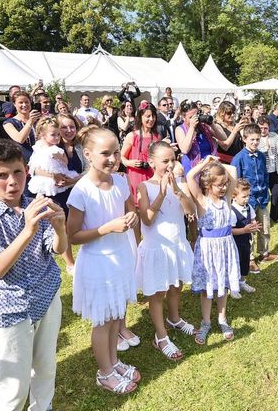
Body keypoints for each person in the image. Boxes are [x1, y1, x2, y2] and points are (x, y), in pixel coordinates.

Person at [0, 139, 67, 411]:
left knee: (45, 366)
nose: (12, 181)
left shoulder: (36, 204)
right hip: (9, 308)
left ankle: (42, 406)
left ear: (27, 170)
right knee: (15, 385)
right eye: (1, 175)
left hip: (46, 296)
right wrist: (28, 229)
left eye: (17, 172)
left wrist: (60, 228)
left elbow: (57, 249)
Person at [66, 126, 140, 395]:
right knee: (103, 321)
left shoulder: (120, 181)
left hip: (120, 256)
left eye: (116, 152)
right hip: (98, 262)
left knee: (115, 315)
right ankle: (105, 372)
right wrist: (106, 228)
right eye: (105, 153)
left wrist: (131, 218)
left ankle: (114, 361)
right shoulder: (82, 191)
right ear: (88, 154)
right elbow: (72, 236)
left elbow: (129, 210)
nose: (112, 158)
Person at [135, 141, 196, 361]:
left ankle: (174, 318)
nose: (171, 164)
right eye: (165, 161)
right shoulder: (144, 187)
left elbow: (191, 211)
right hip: (157, 247)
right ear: (151, 162)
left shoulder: (180, 183)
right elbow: (147, 220)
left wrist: (177, 191)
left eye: (173, 159)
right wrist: (161, 193)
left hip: (176, 244)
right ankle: (161, 336)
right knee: (158, 292)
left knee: (176, 285)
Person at [186, 156, 240, 345]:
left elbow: (232, 170)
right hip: (208, 249)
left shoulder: (227, 199)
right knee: (208, 287)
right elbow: (190, 176)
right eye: (219, 185)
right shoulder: (201, 200)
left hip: (225, 247)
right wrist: (206, 164)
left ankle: (222, 319)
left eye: (225, 184)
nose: (224, 187)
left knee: (222, 286)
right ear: (209, 185)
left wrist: (218, 165)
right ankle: (206, 321)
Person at [232, 123, 278, 264]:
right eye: (252, 139)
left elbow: (265, 175)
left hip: (262, 197)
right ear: (244, 139)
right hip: (248, 200)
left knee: (264, 226)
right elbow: (236, 182)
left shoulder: (261, 156)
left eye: (257, 139)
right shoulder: (239, 158)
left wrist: (266, 191)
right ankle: (250, 257)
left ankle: (264, 253)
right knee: (250, 229)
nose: (255, 142)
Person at [52, 115, 84, 274]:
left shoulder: (81, 146)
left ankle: (86, 257)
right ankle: (70, 264)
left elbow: (91, 167)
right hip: (60, 194)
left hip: (81, 191)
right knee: (63, 228)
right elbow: (37, 167)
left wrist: (76, 180)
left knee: (83, 225)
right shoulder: (51, 147)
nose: (69, 130)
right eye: (64, 127)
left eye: (72, 127)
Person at [27, 117, 79, 197]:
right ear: (43, 135)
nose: (57, 137)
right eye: (53, 135)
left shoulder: (56, 149)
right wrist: (52, 175)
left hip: (61, 178)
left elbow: (65, 163)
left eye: (58, 134)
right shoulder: (38, 147)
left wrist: (59, 157)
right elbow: (32, 167)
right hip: (44, 178)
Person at [121, 103, 159, 205]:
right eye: (148, 116)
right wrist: (129, 163)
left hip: (152, 177)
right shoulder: (132, 136)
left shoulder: (157, 137)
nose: (151, 119)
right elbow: (121, 157)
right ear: (140, 117)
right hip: (135, 178)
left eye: (153, 116)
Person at [175, 100, 225, 175]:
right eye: (191, 117)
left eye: (196, 115)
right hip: (193, 168)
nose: (195, 119)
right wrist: (192, 128)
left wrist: (212, 125)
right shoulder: (180, 129)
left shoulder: (204, 127)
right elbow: (184, 150)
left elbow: (223, 138)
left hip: (210, 168)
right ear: (183, 117)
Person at [231, 179, 260, 293]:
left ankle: (242, 282)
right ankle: (233, 286)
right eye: (244, 196)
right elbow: (230, 230)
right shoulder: (232, 211)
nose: (247, 199)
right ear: (234, 196)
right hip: (235, 242)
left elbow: (252, 219)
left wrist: (255, 225)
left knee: (244, 261)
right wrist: (244, 230)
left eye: (248, 195)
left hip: (246, 241)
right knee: (235, 263)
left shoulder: (249, 207)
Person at [257, 115, 278, 224]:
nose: (263, 130)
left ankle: (275, 216)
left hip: (274, 170)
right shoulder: (255, 138)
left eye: (265, 128)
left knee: (277, 194)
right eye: (260, 128)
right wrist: (264, 149)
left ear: (269, 127)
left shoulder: (274, 136)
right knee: (262, 196)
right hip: (263, 172)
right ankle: (260, 217)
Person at [3, 91, 40, 164]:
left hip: (41, 158)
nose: (24, 105)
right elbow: (20, 139)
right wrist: (30, 121)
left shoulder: (38, 120)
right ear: (14, 104)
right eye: (21, 102)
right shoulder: (8, 123)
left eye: (27, 102)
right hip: (23, 161)